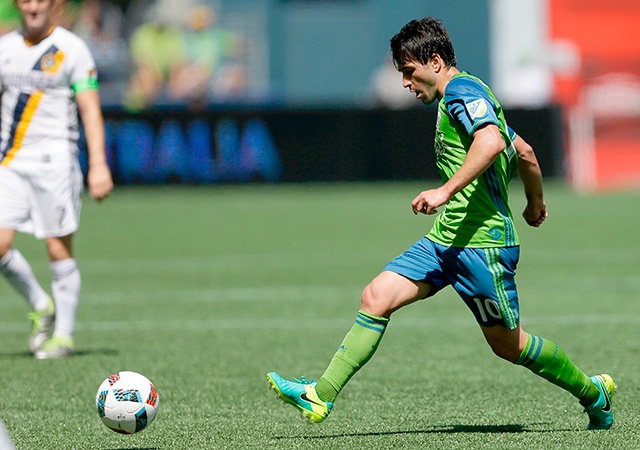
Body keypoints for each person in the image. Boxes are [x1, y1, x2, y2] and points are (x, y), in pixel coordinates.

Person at [266, 17, 615, 430]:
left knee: (508, 345)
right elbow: (526, 152)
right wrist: (534, 202)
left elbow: (493, 141)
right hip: (445, 241)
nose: (405, 83)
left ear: (434, 61)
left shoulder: (462, 93)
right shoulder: (471, 94)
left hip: (482, 246)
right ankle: (319, 396)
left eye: (409, 72)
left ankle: (593, 392)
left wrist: (444, 191)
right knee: (376, 296)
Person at [0, 0, 113, 359]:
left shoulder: (73, 49)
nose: (33, 6)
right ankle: (40, 303)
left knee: (57, 248)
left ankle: (63, 336)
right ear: (18, 4)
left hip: (56, 163)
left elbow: (90, 111)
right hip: (10, 162)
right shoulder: (5, 48)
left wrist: (98, 164)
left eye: (41, 0)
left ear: (54, 5)